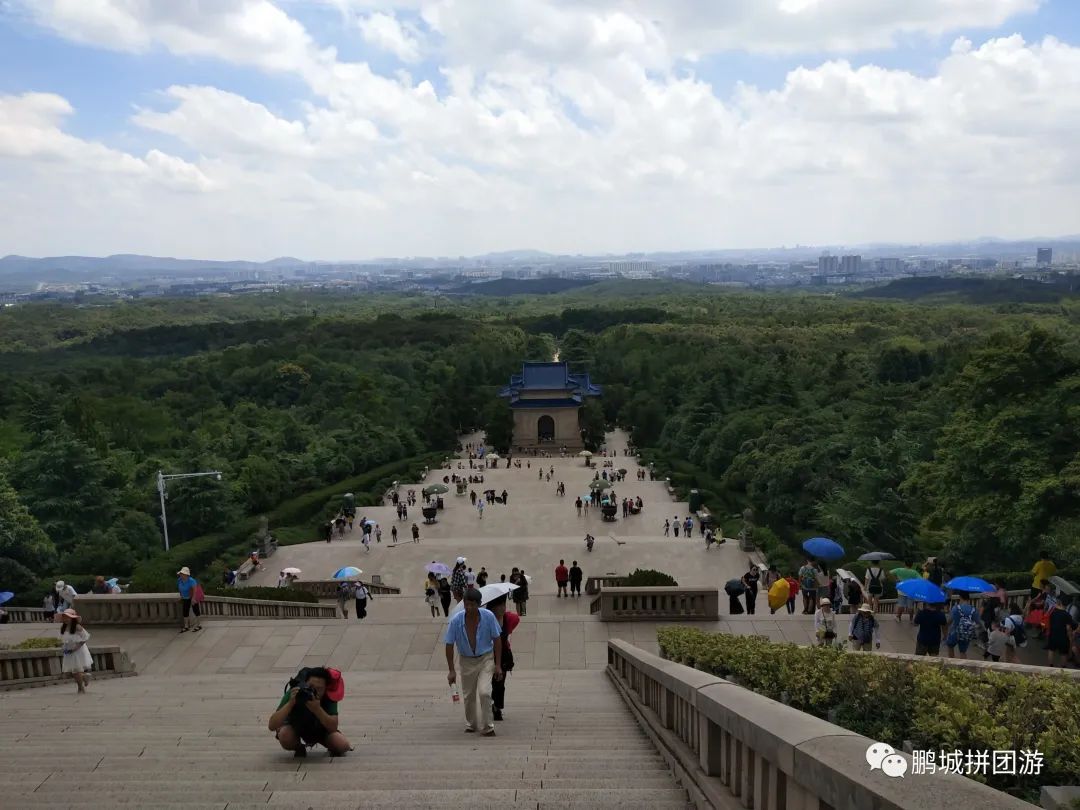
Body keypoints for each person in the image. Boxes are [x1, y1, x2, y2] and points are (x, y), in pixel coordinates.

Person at [444, 588, 503, 736]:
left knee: (484, 692)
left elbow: (497, 640)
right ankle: (471, 723)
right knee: (468, 695)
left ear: (479, 604)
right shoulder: (456, 621)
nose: (469, 608)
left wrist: (498, 665)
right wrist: (451, 670)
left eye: (472, 605)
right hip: (466, 660)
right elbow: (449, 645)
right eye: (466, 604)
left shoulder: (488, 616)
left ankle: (489, 726)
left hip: (485, 658)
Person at [268, 667, 351, 757]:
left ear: (325, 688)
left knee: (343, 745)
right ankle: (298, 747)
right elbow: (272, 725)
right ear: (305, 683)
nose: (313, 691)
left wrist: (317, 709)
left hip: (321, 729)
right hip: (295, 726)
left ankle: (331, 747)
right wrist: (290, 703)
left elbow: (333, 727)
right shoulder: (295, 692)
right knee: (285, 735)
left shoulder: (329, 696)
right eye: (310, 687)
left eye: (319, 689)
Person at [486, 594, 520, 721]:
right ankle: (488, 704)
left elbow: (516, 619)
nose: (502, 608)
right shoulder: (486, 619)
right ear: (492, 607)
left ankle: (497, 707)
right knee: (488, 683)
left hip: (504, 655)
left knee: (499, 683)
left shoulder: (507, 618)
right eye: (499, 605)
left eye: (503, 605)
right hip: (488, 655)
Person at [58, 609, 93, 694]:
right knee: (73, 672)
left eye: (68, 618)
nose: (66, 619)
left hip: (78, 651)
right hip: (68, 652)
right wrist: (63, 647)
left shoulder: (77, 627)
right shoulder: (63, 628)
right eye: (64, 617)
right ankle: (84, 678)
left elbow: (85, 638)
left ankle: (81, 688)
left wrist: (76, 648)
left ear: (72, 618)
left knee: (76, 671)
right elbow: (63, 640)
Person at [945, 591, 979, 659]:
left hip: (954, 632)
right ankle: (962, 668)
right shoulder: (973, 609)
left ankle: (952, 663)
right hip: (966, 633)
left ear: (960, 597)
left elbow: (949, 621)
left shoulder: (956, 608)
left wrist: (946, 629)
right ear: (968, 598)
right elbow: (977, 622)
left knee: (950, 646)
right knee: (963, 652)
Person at [1046, 599, 1078, 668]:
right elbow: (1068, 628)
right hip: (1063, 637)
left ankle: (1050, 666)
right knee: (1063, 653)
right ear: (1068, 605)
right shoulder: (1067, 615)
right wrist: (1070, 637)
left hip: (1053, 634)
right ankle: (1063, 668)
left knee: (1051, 650)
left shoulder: (1053, 612)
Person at [176, 567, 201, 633]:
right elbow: (180, 589)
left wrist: (193, 598)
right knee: (185, 611)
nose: (181, 575)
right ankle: (186, 626)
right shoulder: (179, 580)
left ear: (186, 574)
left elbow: (195, 590)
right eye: (180, 574)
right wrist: (181, 596)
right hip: (185, 597)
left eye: (182, 574)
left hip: (192, 597)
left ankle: (198, 625)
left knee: (196, 610)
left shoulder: (191, 581)